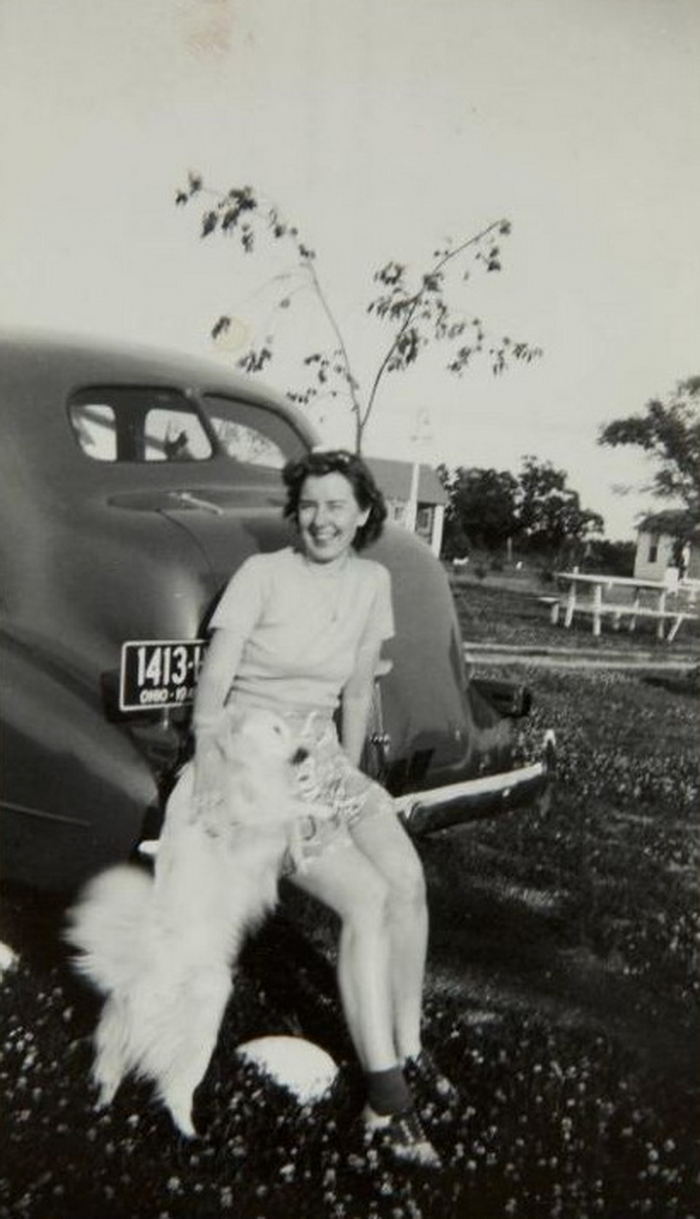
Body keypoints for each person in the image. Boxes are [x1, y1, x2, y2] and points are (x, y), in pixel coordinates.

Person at [191, 448, 454, 1168]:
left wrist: (350, 777)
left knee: (405, 880)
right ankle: (386, 1102)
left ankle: (408, 1045)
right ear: (295, 511)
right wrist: (214, 771)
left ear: (365, 512)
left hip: (318, 754)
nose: (321, 519)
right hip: (255, 750)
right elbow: (214, 690)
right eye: (309, 505)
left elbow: (356, 691)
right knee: (366, 900)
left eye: (337, 505)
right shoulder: (262, 575)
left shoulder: (375, 581)